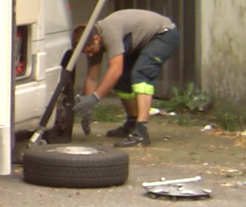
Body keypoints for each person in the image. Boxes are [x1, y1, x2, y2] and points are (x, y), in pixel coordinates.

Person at [71, 9, 180, 147]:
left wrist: (95, 97)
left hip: (164, 34)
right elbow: (92, 77)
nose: (90, 55)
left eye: (91, 50)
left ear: (96, 39)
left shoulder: (109, 32)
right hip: (142, 41)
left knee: (141, 74)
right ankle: (132, 123)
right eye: (86, 53)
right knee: (122, 80)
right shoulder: (93, 41)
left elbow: (115, 70)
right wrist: (87, 110)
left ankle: (141, 133)